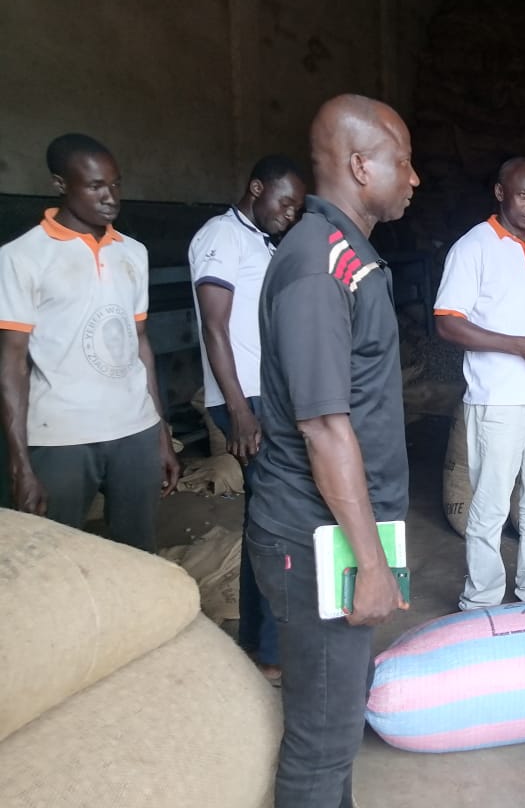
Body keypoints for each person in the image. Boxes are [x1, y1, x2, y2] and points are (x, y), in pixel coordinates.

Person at [246, 95, 414, 807]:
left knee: (337, 728)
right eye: (403, 161)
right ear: (359, 163)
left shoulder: (348, 256)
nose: (414, 178)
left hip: (338, 530)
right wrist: (369, 564)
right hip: (315, 540)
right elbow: (323, 427)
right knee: (322, 743)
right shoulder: (321, 267)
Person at [0, 134, 180, 550]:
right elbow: (12, 363)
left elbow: (141, 345)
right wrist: (20, 464)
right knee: (53, 556)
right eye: (95, 186)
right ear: (60, 184)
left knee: (138, 554)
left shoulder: (133, 252)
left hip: (134, 431)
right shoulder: (22, 257)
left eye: (115, 184)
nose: (110, 196)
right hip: (60, 436)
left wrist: (160, 431)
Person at [434, 157, 525, 611]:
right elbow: (447, 325)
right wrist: (521, 346)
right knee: (491, 506)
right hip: (497, 400)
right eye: (524, 194)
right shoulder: (473, 248)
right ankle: (481, 601)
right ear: (500, 193)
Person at [188, 154, 306, 684]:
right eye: (284, 203)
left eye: (296, 209)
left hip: (268, 397)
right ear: (255, 188)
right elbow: (215, 327)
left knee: (269, 518)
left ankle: (262, 644)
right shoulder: (220, 236)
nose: (289, 214)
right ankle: (271, 651)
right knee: (278, 519)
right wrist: (236, 409)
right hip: (247, 402)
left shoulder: (262, 240)